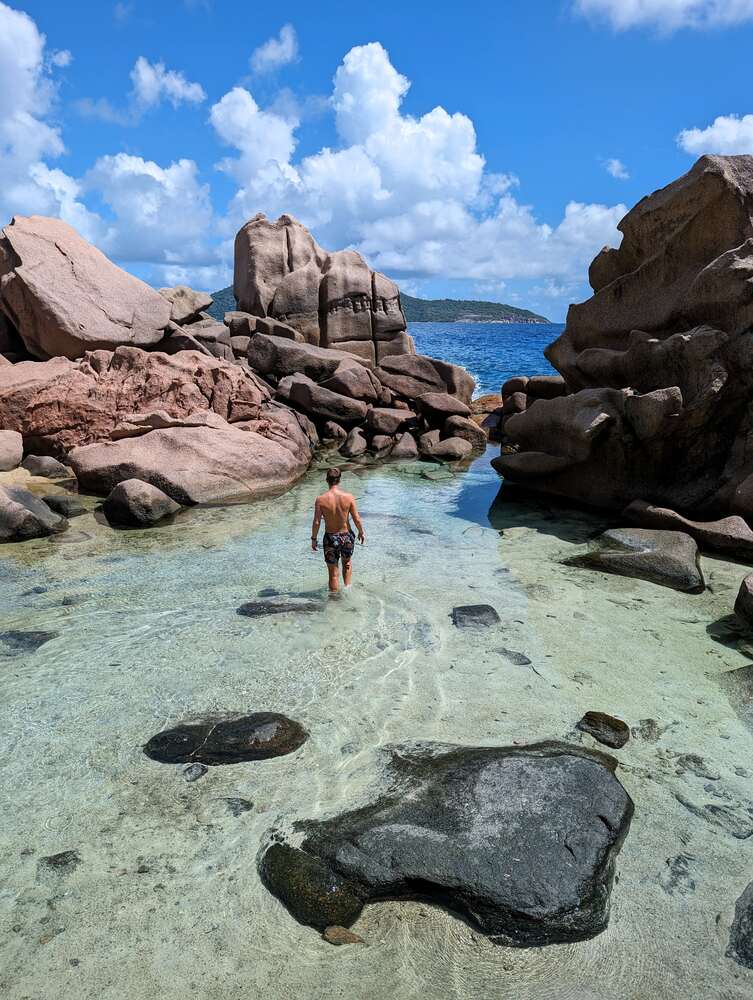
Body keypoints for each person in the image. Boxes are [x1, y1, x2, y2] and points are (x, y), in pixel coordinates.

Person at [311, 467, 365, 593]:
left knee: (333, 573)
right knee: (347, 564)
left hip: (330, 538)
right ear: (339, 480)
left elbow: (317, 522)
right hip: (346, 536)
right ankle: (347, 590)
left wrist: (314, 539)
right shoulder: (349, 497)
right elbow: (356, 518)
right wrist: (361, 532)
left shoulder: (320, 499)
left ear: (326, 480)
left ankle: (334, 601)